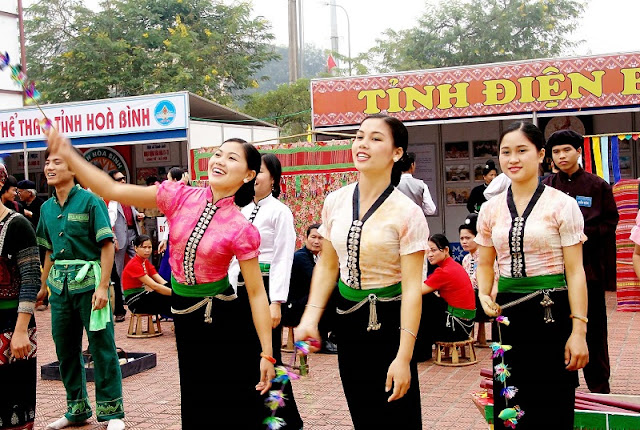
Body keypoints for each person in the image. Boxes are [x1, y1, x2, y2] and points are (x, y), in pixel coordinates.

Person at [45, 128, 275, 430]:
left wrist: (267, 353)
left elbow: (256, 293)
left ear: (248, 175)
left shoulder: (241, 228)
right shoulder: (178, 195)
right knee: (195, 396)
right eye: (218, 153)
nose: (219, 160)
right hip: (184, 313)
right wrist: (70, 155)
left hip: (222, 316)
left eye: (232, 158)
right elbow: (111, 189)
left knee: (234, 400)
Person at [296, 114, 428, 429]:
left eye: (375, 138)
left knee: (399, 418)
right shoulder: (336, 201)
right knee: (362, 414)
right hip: (349, 320)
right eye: (359, 136)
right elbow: (328, 266)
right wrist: (310, 319)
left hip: (391, 323)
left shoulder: (408, 212)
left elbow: (412, 289)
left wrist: (404, 357)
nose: (363, 144)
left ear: (397, 153)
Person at [475, 121, 589, 429]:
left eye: (521, 151)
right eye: (506, 152)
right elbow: (485, 262)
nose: (512, 159)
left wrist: (579, 331)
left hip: (552, 311)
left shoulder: (562, 205)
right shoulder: (490, 209)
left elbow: (575, 271)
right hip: (507, 315)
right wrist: (484, 293)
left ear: (540, 155)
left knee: (552, 402)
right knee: (510, 403)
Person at [36, 148, 125, 430]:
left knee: (102, 347)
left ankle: (112, 413)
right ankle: (76, 409)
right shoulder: (46, 208)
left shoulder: (91, 201)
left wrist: (103, 286)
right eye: (47, 162)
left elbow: (107, 245)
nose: (49, 167)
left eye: (57, 162)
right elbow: (48, 251)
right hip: (59, 290)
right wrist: (42, 286)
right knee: (65, 349)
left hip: (90, 286)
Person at [229, 153, 303, 429]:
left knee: (270, 355)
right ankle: (254, 416)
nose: (255, 176)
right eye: (252, 171)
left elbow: (283, 258)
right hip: (240, 290)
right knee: (244, 354)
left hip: (267, 288)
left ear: (273, 178)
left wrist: (277, 302)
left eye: (260, 171)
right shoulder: (241, 209)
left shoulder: (280, 212)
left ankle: (286, 419)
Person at [542, 129, 618, 394]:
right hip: (554, 274)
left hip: (588, 273)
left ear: (578, 152)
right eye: (556, 152)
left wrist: (580, 234)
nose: (561, 156)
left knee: (593, 331)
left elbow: (610, 223)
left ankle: (600, 388)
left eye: (567, 150)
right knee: (559, 331)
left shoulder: (598, 186)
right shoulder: (546, 187)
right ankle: (566, 388)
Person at [0, 164, 41, 430]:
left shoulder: (18, 225)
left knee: (13, 403)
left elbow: (30, 279)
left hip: (10, 323)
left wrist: (20, 330)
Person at [415, 234, 475, 360]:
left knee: (423, 300)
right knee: (429, 300)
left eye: (433, 250)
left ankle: (421, 352)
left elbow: (416, 291)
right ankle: (422, 350)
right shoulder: (454, 266)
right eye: (428, 251)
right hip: (466, 326)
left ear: (446, 250)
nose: (430, 255)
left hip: (456, 329)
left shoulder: (444, 271)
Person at [282, 223, 338, 354]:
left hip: (308, 303)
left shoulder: (320, 258)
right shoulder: (300, 257)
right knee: (330, 292)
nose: (317, 241)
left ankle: (334, 336)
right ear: (306, 239)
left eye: (320, 238)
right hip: (293, 308)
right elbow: (318, 280)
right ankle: (323, 341)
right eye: (313, 237)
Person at [107, 170, 143, 322]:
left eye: (123, 178)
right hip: (118, 236)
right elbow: (109, 219)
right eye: (119, 179)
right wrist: (113, 237)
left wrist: (137, 214)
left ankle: (137, 290)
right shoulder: (109, 196)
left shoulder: (127, 194)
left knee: (139, 261)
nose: (123, 181)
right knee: (118, 268)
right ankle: (121, 296)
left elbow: (131, 210)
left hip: (132, 232)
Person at [459, 213, 498, 346]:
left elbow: (495, 280)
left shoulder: (486, 257)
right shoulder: (466, 259)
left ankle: (476, 337)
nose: (464, 242)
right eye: (462, 238)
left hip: (485, 295)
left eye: (468, 238)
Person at [121, 234, 171, 316]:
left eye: (149, 247)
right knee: (168, 298)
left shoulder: (145, 262)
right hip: (134, 301)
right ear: (135, 248)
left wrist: (176, 290)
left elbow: (162, 282)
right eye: (144, 247)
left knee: (170, 287)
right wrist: (176, 294)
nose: (147, 250)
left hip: (143, 295)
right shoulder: (134, 264)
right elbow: (154, 286)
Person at [396, 152, 437, 216]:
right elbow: (430, 210)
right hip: (416, 220)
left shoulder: (393, 185)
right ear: (412, 165)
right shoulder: (422, 185)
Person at [139, 176, 162, 268]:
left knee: (161, 242)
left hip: (160, 220)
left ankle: (160, 265)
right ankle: (149, 265)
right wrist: (141, 226)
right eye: (151, 184)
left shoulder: (161, 194)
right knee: (148, 243)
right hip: (148, 220)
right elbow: (141, 211)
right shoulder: (144, 196)